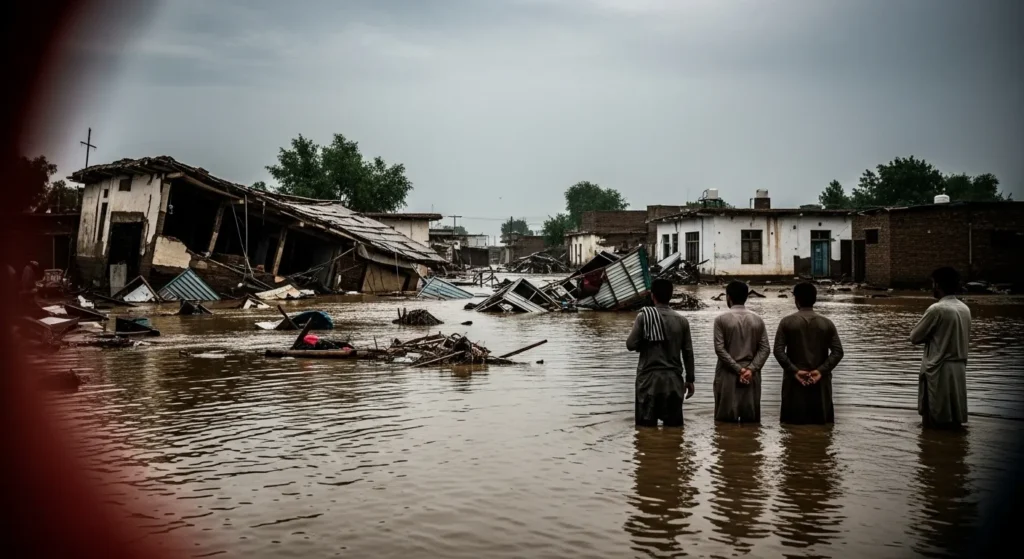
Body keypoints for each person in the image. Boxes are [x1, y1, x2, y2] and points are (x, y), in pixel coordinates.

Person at [626, 278, 696, 426]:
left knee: (645, 432)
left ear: (652, 295)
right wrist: (690, 379)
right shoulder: (682, 321)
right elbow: (688, 352)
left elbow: (631, 345)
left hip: (648, 381)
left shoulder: (644, 317)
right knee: (674, 432)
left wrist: (645, 338)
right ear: (671, 296)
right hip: (673, 381)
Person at [773, 282, 844, 424]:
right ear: (815, 299)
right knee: (822, 427)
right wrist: (820, 371)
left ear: (796, 300)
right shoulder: (827, 323)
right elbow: (838, 352)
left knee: (791, 428)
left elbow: (778, 351)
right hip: (820, 382)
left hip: (794, 382)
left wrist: (795, 371)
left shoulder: (787, 322)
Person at [910, 267, 971, 429]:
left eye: (932, 283)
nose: (932, 287)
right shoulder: (964, 308)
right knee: (954, 418)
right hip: (959, 368)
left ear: (937, 285)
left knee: (933, 418)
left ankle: (933, 449)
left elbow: (914, 337)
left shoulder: (937, 309)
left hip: (938, 368)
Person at [713, 281, 770, 423]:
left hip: (728, 374)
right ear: (746, 297)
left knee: (724, 425)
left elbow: (720, 349)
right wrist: (750, 370)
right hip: (752, 375)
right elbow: (765, 349)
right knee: (751, 423)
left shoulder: (721, 320)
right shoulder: (757, 320)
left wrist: (739, 370)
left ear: (728, 297)